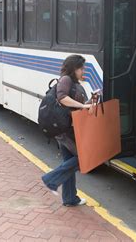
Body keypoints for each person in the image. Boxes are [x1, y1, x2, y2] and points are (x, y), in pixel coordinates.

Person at [41, 55, 93, 207]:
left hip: (69, 128)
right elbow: (62, 97)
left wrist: (90, 102)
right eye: (81, 68)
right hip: (65, 129)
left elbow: (76, 104)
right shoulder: (66, 80)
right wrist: (84, 106)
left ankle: (70, 198)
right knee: (83, 158)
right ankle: (51, 179)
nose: (83, 71)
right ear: (74, 68)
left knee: (68, 161)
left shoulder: (75, 83)